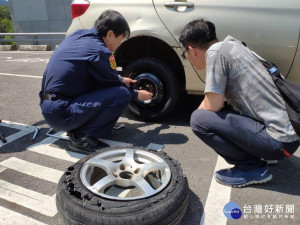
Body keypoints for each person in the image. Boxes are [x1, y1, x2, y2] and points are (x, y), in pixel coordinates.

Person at [179, 19, 300, 187]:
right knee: (215, 115)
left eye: (184, 54)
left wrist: (198, 114)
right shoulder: (233, 45)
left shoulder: (215, 53)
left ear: (192, 50)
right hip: (290, 136)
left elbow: (212, 105)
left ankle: (252, 168)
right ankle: (259, 155)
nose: (187, 58)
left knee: (199, 120)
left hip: (278, 143)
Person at [39, 10, 152, 153]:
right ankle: (81, 137)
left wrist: (121, 79)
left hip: (49, 104)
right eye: (121, 39)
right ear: (110, 34)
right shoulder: (101, 52)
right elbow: (114, 84)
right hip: (61, 113)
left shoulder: (78, 35)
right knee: (122, 94)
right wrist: (137, 94)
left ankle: (80, 125)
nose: (120, 44)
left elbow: (99, 74)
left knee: (109, 87)